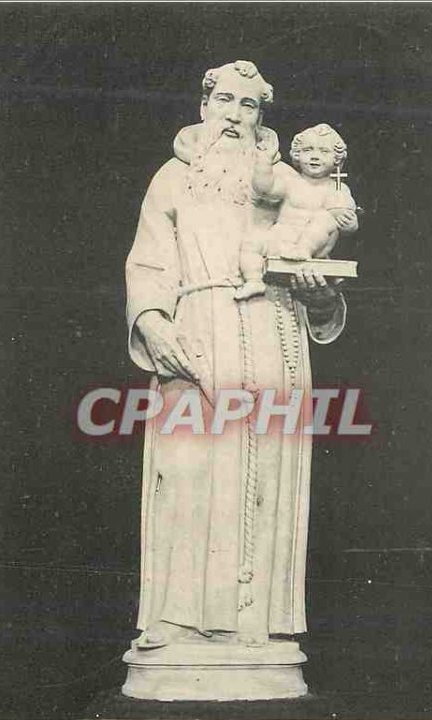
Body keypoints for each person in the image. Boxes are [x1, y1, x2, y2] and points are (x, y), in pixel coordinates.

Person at [125, 61, 348, 650]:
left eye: (249, 105)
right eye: (225, 99)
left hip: (276, 337)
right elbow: (146, 264)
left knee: (265, 483)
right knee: (187, 474)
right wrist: (153, 324)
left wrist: (320, 301)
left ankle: (260, 627)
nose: (234, 114)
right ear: (205, 105)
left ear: (260, 117)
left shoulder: (289, 181)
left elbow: (319, 270)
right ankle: (174, 620)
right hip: (195, 339)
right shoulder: (171, 179)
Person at [235, 123, 359, 299]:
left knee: (325, 218)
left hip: (314, 247)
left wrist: (350, 223)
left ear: (337, 159)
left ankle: (303, 249)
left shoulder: (338, 188)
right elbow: (264, 189)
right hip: (281, 239)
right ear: (297, 155)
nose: (315, 156)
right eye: (308, 150)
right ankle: (254, 280)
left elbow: (344, 219)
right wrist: (264, 162)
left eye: (324, 151)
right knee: (252, 241)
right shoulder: (291, 181)